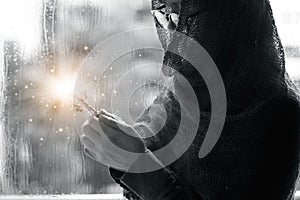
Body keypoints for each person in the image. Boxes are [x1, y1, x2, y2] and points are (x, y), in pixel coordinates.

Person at [80, 0, 300, 199]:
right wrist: (121, 143)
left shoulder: (278, 117)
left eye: (187, 19)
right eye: (165, 16)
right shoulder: (178, 95)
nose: (172, 31)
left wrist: (137, 164)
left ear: (229, 20)